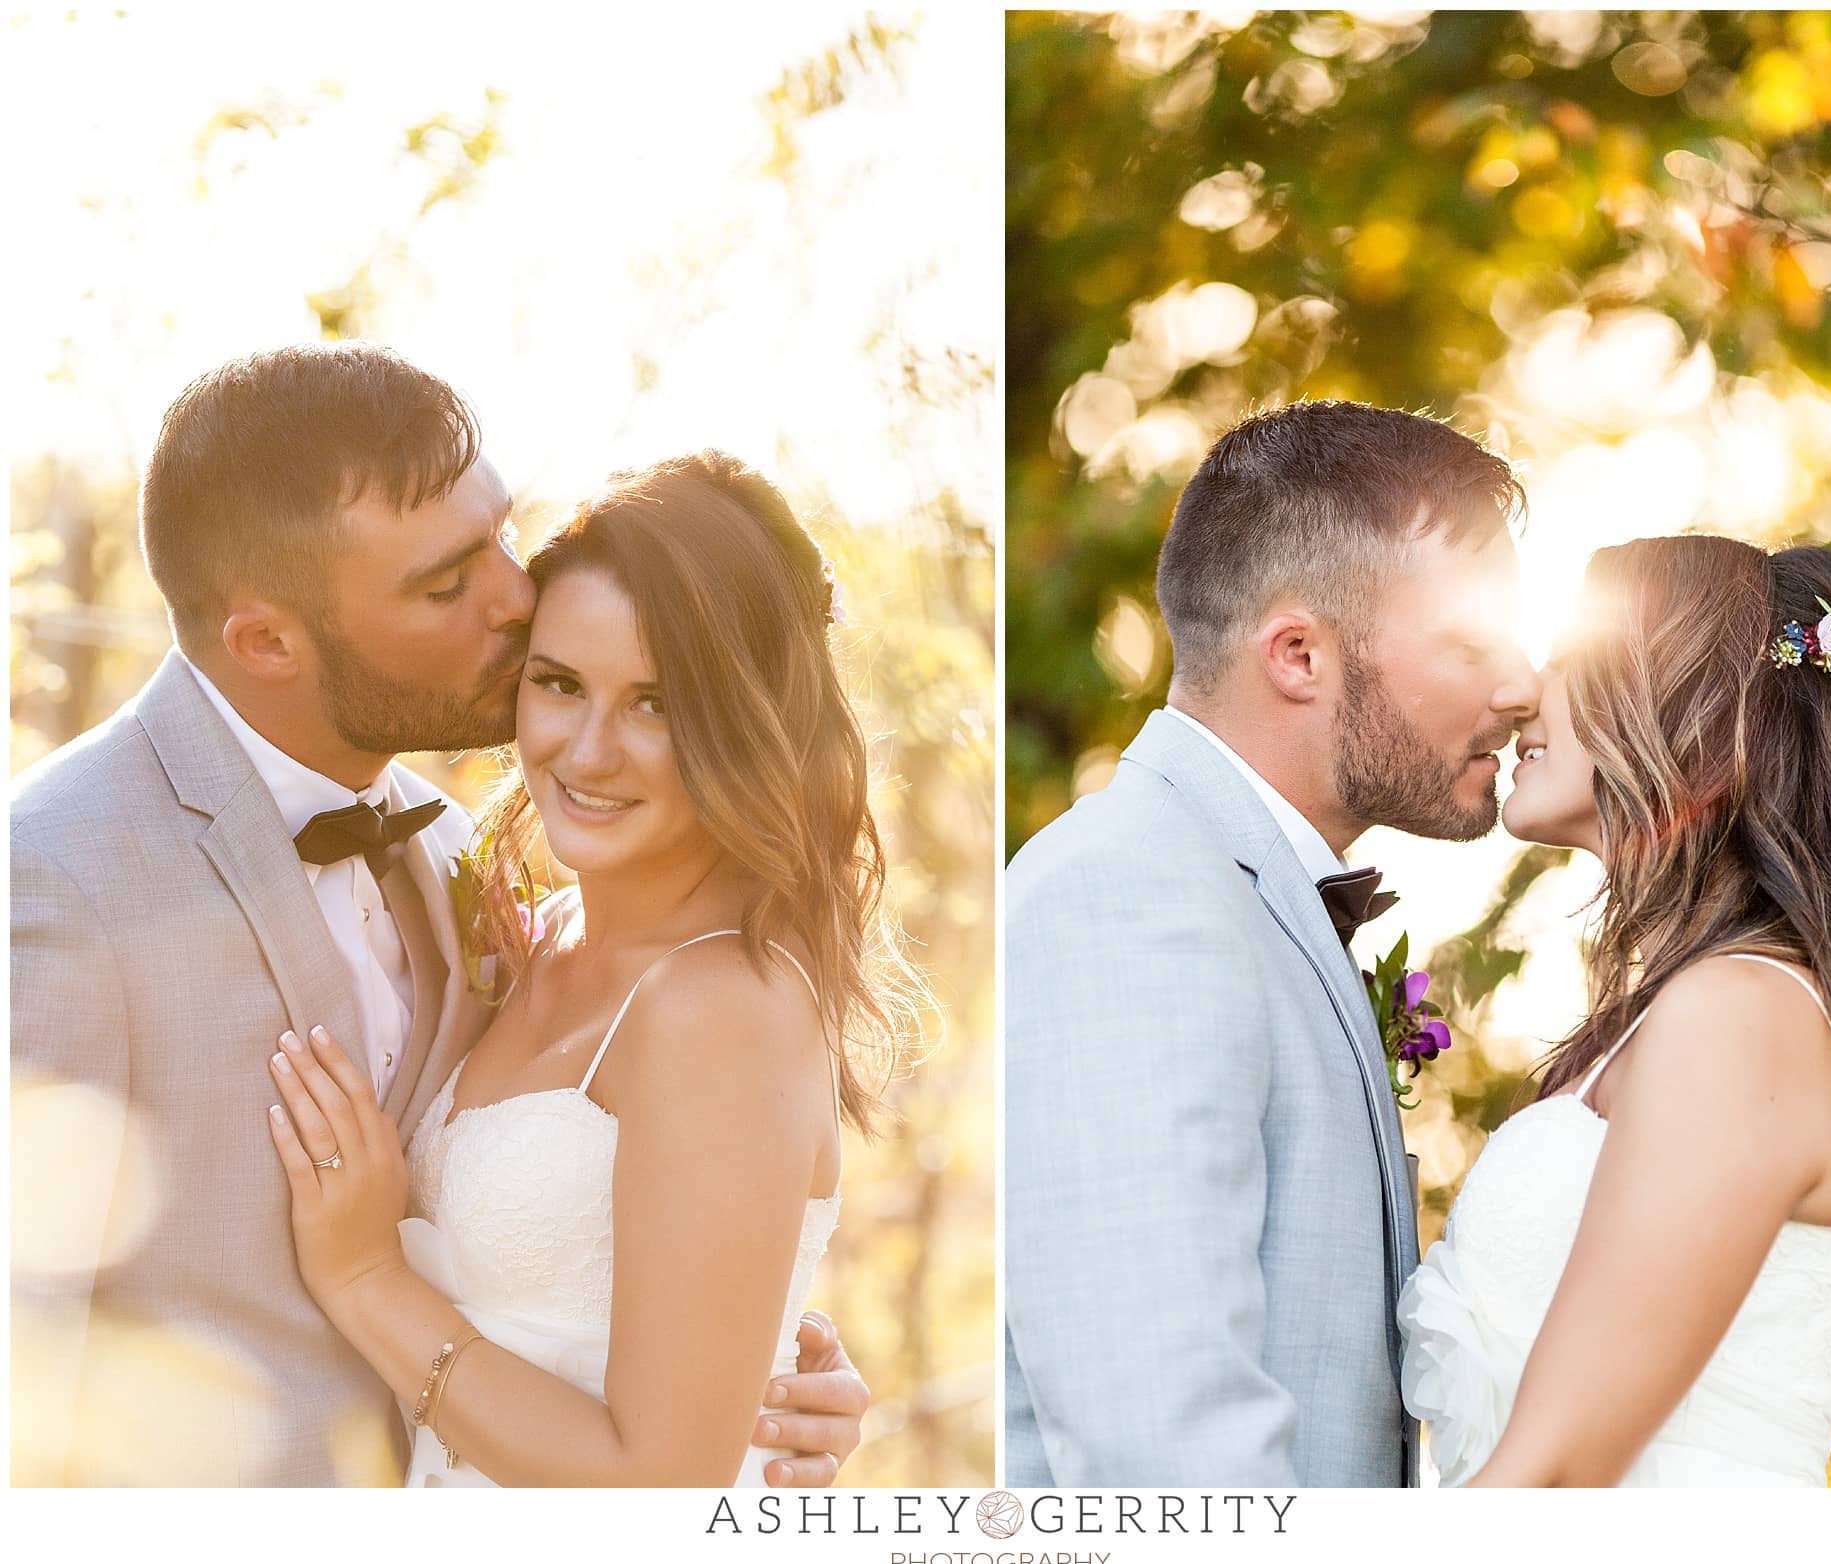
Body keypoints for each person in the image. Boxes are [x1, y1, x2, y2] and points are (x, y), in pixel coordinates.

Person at [10, 344, 870, 1486]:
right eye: (446, 581)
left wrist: (747, 1381)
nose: (515, 598)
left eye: (498, 538)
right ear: (267, 640)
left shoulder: (459, 860)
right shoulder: (56, 877)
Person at [264, 450, 928, 1486]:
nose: (587, 752)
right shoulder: (527, 938)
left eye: (656, 704)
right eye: (560, 684)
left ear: (746, 724)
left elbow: (659, 1490)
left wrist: (363, 1279)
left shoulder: (724, 1006)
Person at [1005, 400, 1540, 1485]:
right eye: (1471, 642)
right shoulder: (1127, 894)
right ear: (1297, 654)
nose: (1519, 686)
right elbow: (1160, 1441)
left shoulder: (1232, 892)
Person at [1399, 535, 1831, 1486]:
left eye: (1571, 661)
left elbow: (1554, 1476)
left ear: (1686, 719)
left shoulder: (1740, 1015)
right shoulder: (1700, 1009)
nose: (1523, 695)